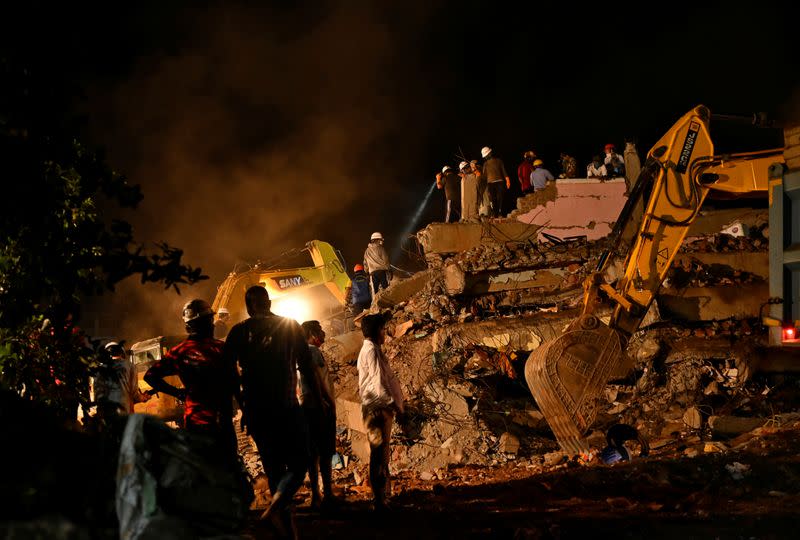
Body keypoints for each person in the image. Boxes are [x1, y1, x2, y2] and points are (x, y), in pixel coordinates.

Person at [223, 286, 327, 535]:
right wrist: (321, 400)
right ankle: (281, 517)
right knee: (302, 459)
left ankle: (282, 521)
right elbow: (308, 367)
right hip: (288, 407)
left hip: (258, 412)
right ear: (268, 302)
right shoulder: (290, 326)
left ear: (248, 307)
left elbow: (229, 375)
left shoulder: (238, 332)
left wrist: (243, 406)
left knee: (272, 467)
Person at [144, 299, 239, 458]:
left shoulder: (179, 352)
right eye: (209, 320)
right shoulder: (220, 348)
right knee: (229, 469)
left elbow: (151, 376)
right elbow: (234, 381)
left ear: (188, 326)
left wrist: (178, 393)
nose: (212, 324)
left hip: (196, 423)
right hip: (222, 421)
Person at [357, 313, 404, 512]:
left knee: (382, 455)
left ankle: (383, 495)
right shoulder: (371, 351)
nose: (386, 333)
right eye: (383, 329)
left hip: (378, 409)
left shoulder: (372, 349)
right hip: (377, 410)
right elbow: (379, 385)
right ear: (377, 331)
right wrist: (394, 405)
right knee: (378, 455)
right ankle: (379, 499)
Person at [299, 320, 337, 510]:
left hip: (307, 408)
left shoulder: (299, 354)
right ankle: (326, 493)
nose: (323, 334)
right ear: (313, 333)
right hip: (319, 408)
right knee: (324, 452)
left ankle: (316, 494)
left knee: (312, 453)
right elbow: (317, 379)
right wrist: (329, 402)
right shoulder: (312, 352)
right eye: (320, 330)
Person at [93, 341, 150, 421]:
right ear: (122, 353)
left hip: (106, 415)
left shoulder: (99, 370)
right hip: (125, 413)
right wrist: (143, 398)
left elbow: (98, 395)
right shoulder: (130, 366)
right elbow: (134, 394)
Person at [481, 146, 511, 217]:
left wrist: (508, 181)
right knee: (493, 199)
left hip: (499, 182)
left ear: (490, 153)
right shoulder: (485, 164)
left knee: (500, 198)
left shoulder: (498, 161)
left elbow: (504, 171)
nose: (486, 157)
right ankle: (495, 214)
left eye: (486, 155)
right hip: (490, 183)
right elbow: (484, 176)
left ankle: (500, 212)